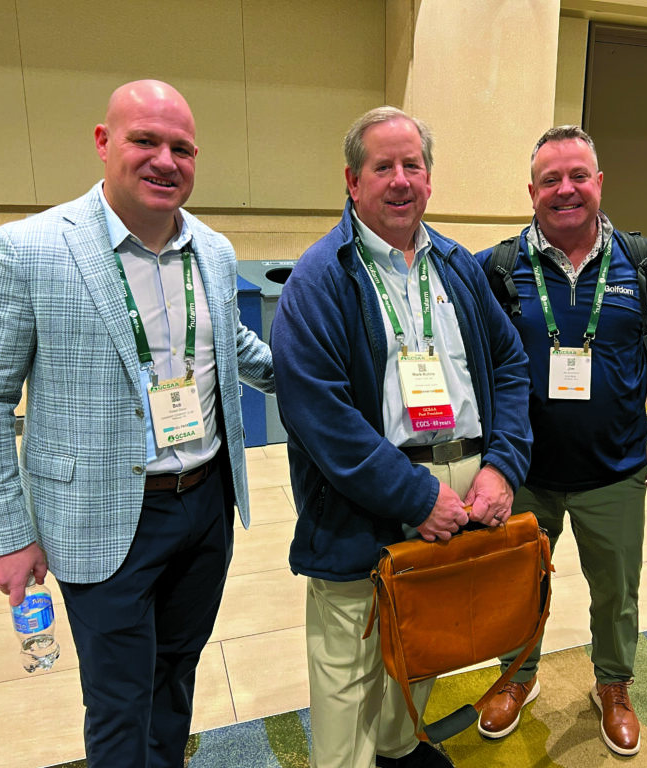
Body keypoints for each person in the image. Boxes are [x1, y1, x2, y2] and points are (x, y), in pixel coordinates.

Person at [0, 80, 274, 768]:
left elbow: (236, 349)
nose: (166, 160)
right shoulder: (30, 248)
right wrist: (5, 536)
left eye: (181, 147)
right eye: (145, 141)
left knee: (176, 671)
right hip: (101, 516)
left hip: (206, 505)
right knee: (120, 696)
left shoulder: (211, 251)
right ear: (104, 142)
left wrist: (334, 381)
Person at [270, 106, 532, 768]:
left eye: (411, 165)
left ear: (430, 178)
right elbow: (318, 413)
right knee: (349, 666)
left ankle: (398, 745)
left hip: (465, 483)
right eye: (382, 166)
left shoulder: (456, 265)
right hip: (368, 497)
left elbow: (508, 363)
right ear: (352, 181)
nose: (399, 180)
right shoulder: (322, 276)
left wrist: (502, 464)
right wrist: (415, 496)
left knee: (423, 637)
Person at [473, 125, 647, 755]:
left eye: (577, 176)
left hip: (615, 469)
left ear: (599, 183)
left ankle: (613, 686)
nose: (565, 190)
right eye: (550, 180)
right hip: (525, 470)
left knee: (616, 592)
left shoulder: (639, 262)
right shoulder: (500, 268)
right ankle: (518, 676)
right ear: (531, 191)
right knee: (518, 587)